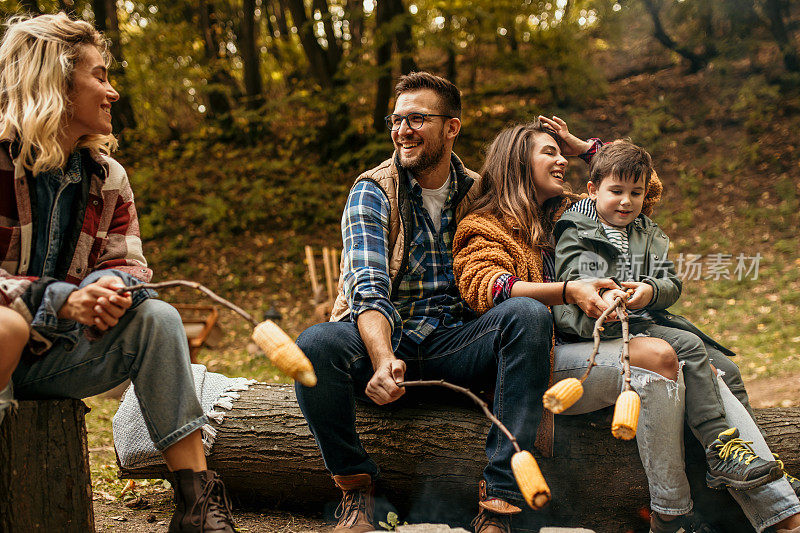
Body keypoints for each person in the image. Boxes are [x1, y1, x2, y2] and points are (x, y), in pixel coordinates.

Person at [294, 71, 672, 533]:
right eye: (396, 120)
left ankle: (499, 501)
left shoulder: (480, 190)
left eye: (416, 119)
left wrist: (586, 151)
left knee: (527, 315)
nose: (402, 131)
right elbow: (368, 289)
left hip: (455, 339)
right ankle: (357, 491)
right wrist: (382, 357)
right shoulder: (373, 191)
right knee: (314, 344)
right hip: (382, 336)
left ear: (451, 128)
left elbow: (615, 193)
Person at [452, 119, 800, 533]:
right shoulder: (485, 225)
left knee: (715, 370)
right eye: (551, 152)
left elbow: (635, 185)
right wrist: (568, 290)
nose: (562, 159)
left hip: (603, 338)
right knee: (664, 356)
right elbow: (484, 285)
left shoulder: (566, 208)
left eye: (563, 154)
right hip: (542, 359)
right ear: (516, 162)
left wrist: (584, 146)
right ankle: (680, 512)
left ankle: (778, 505)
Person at [0, 13, 235, 533]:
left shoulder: (107, 177)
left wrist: (106, 287)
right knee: (7, 326)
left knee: (157, 317)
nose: (113, 91)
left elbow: (128, 261)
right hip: (5, 340)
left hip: (50, 359)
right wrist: (60, 298)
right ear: (56, 83)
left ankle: (196, 503)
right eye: (100, 76)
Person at [553, 140, 782, 492]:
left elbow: (671, 282)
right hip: (598, 328)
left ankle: (751, 455)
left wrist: (650, 290)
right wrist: (605, 296)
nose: (627, 201)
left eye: (636, 192)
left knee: (728, 368)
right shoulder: (577, 230)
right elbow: (575, 279)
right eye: (616, 191)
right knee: (689, 347)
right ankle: (720, 451)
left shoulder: (646, 232)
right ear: (592, 189)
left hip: (643, 321)